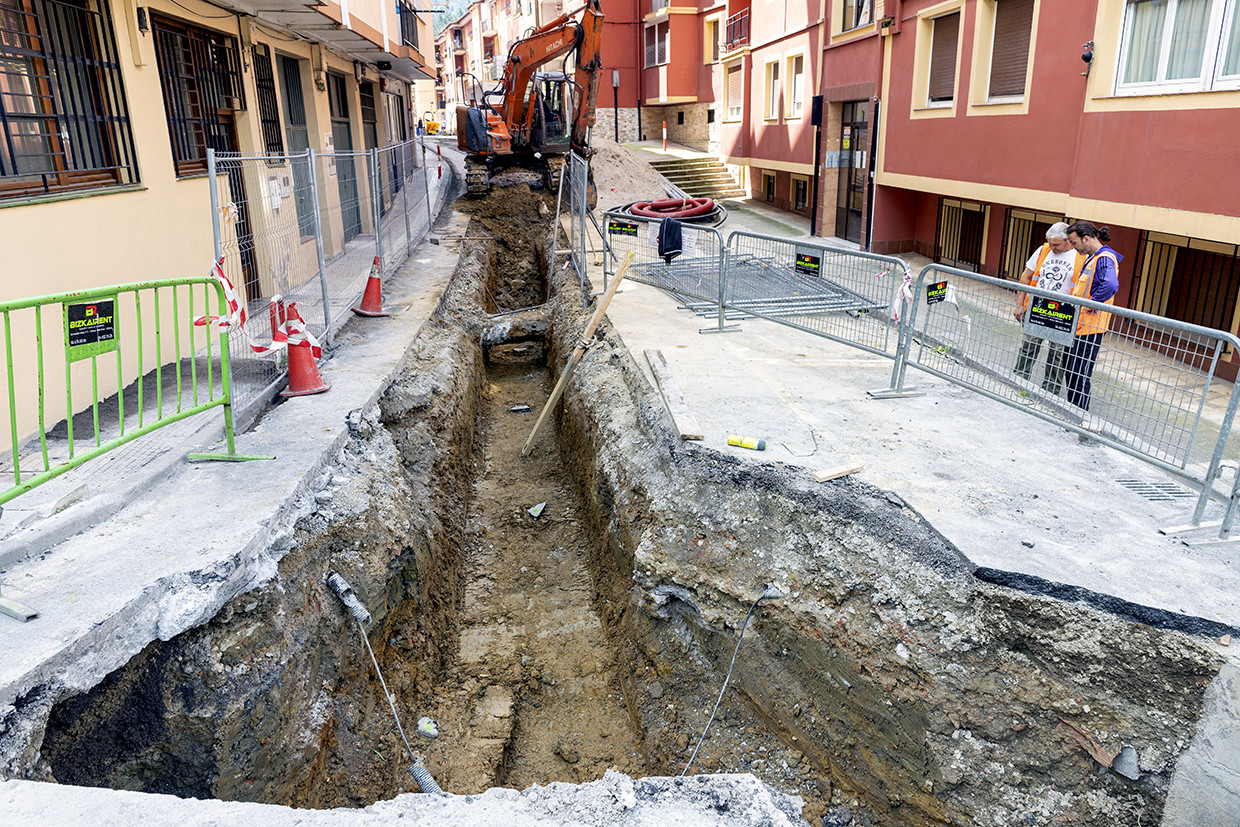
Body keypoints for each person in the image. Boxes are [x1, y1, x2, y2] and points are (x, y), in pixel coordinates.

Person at [1012, 222, 1085, 393]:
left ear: (1068, 241)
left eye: (1057, 244)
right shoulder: (1043, 250)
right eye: (1050, 243)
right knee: (1028, 348)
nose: (1053, 248)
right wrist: (1020, 305)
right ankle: (1017, 383)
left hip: (1063, 314)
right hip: (1038, 308)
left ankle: (1049, 393)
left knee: (1056, 355)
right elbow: (1025, 278)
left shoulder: (1079, 256)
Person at [1063, 221, 1122, 411]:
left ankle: (1078, 416)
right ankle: (1072, 414)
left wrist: (1094, 303)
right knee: (1072, 370)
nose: (1072, 247)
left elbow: (1111, 285)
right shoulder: (1095, 258)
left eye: (1074, 242)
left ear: (1086, 238)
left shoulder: (1104, 258)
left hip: (1089, 329)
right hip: (1080, 326)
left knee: (1079, 374)